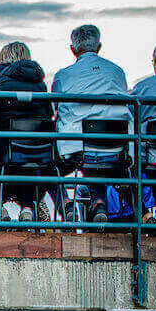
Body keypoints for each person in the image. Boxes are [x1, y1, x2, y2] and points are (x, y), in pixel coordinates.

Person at [51, 24, 130, 222]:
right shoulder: (117, 72)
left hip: (78, 148)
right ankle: (98, 203)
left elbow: (55, 107)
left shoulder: (64, 75)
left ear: (72, 49)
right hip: (115, 145)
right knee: (100, 157)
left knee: (48, 164)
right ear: (99, 46)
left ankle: (65, 204)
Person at [0, 42, 52, 221]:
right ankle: (28, 208)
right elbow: (48, 114)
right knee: (30, 163)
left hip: (2, 150)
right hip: (34, 150)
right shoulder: (40, 84)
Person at [132, 43, 156, 223]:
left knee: (127, 166)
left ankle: (145, 213)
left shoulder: (142, 88)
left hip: (151, 158)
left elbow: (130, 117)